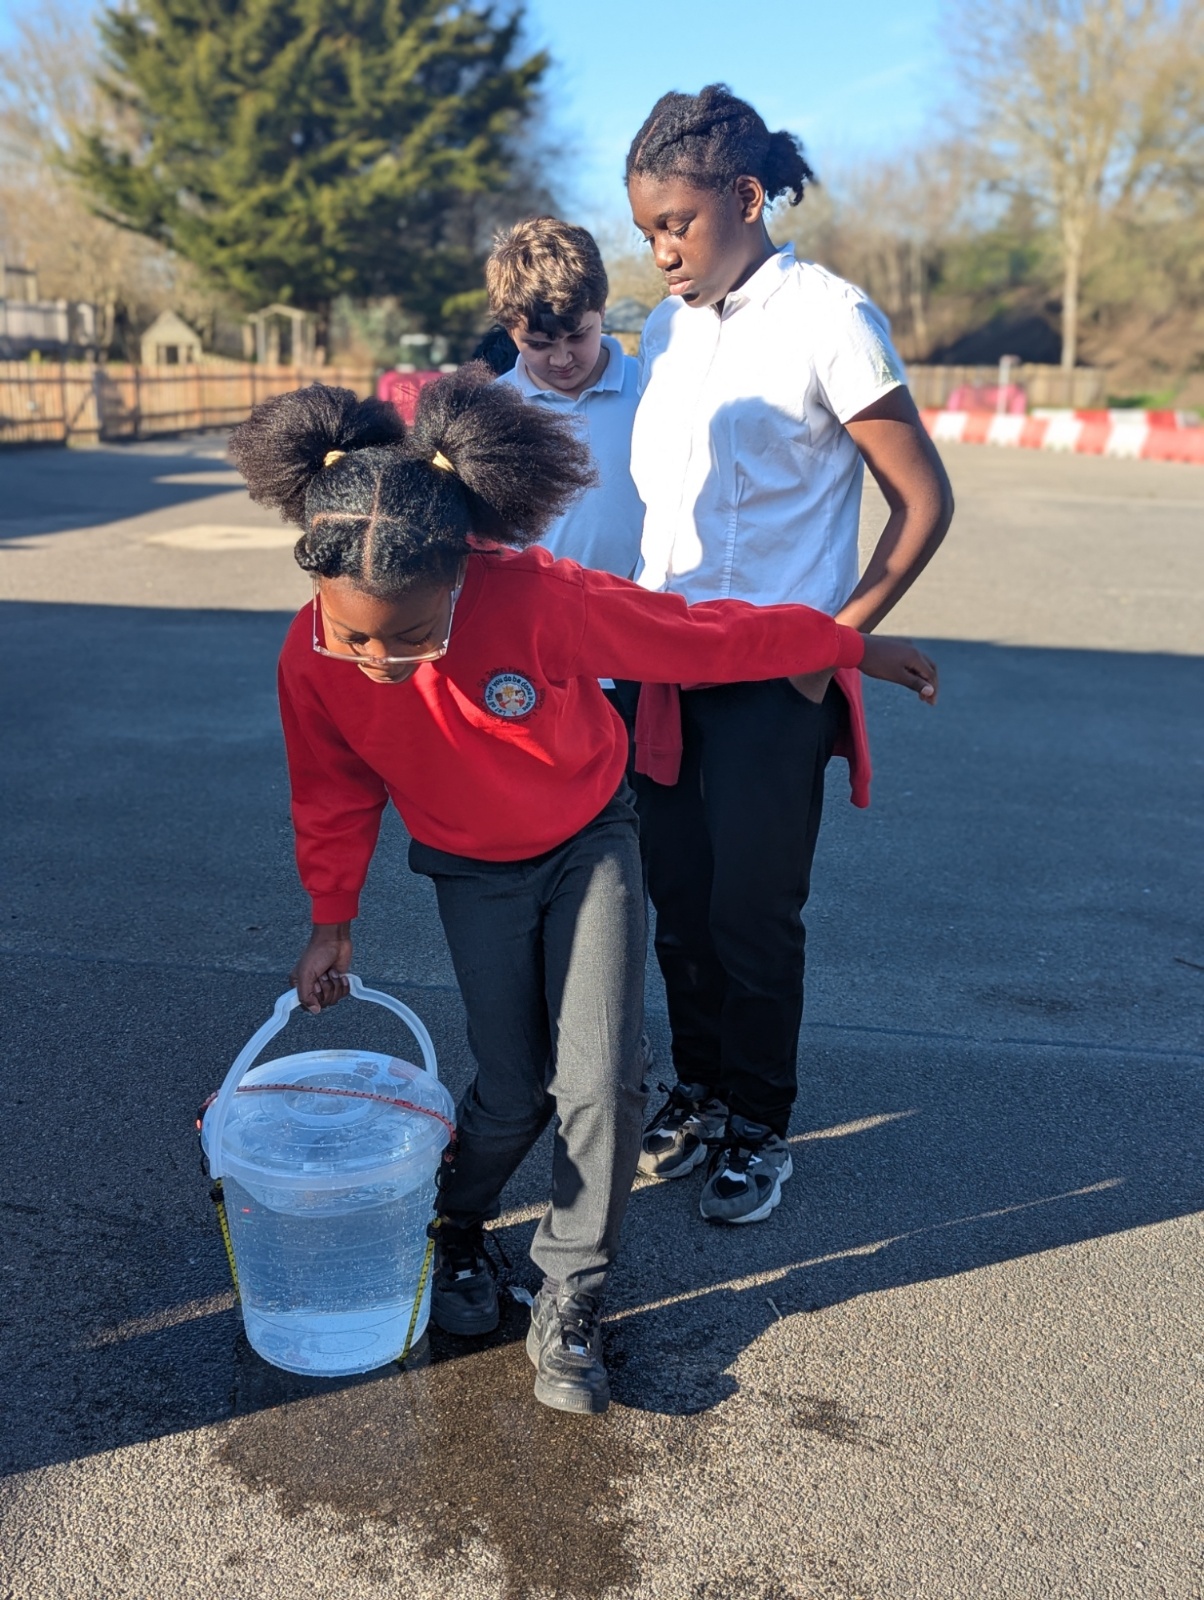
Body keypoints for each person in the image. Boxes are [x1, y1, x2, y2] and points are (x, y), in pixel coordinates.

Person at [227, 367, 938, 1413]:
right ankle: (453, 1227)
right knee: (513, 1090)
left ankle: (571, 1291)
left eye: (411, 635)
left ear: (459, 573)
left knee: (603, 1079)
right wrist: (331, 922)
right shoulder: (311, 654)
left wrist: (849, 645)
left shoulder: (536, 596)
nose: (379, 660)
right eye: (355, 635)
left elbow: (700, 635)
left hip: (588, 842)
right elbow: (331, 794)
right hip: (469, 869)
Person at [624, 85, 955, 1225]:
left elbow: (922, 500)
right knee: (679, 905)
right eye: (647, 232)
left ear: (747, 197)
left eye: (676, 224)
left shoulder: (831, 317)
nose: (663, 253)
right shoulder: (665, 330)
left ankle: (760, 1123)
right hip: (662, 666)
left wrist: (836, 643)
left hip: (774, 678)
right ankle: (703, 1089)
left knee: (752, 917)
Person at [487, 216, 644, 580]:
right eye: (538, 345)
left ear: (601, 310)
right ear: (510, 331)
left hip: (642, 602)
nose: (561, 360)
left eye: (577, 336)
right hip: (534, 606)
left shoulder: (650, 386)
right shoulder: (491, 412)